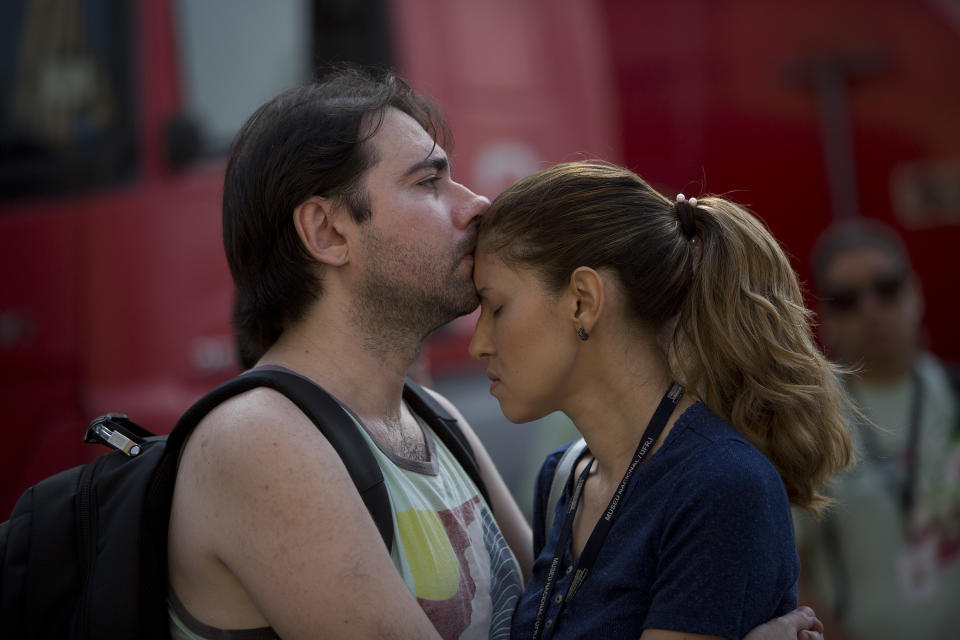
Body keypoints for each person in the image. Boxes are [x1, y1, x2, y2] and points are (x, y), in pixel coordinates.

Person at [166, 68, 828, 639]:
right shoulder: (259, 443)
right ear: (328, 230)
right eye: (429, 183)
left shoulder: (434, 423)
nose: (476, 204)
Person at [468, 161, 854, 639]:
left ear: (583, 301)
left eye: (497, 306)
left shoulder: (721, 485)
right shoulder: (563, 477)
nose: (478, 343)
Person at [795, 219, 960, 640]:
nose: (870, 309)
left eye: (886, 288)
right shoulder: (809, 422)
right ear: (825, 317)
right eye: (847, 299)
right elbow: (790, 571)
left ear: (916, 293)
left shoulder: (955, 395)